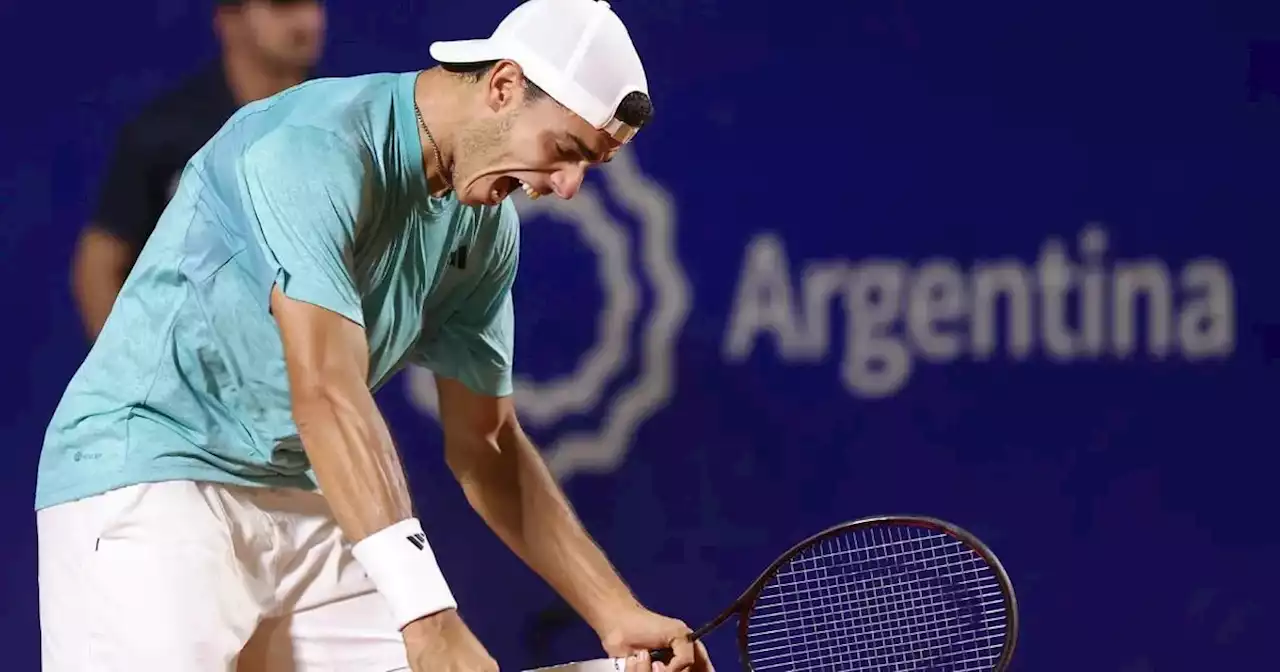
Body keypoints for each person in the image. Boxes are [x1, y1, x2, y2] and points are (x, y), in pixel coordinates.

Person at [36, 0, 713, 670]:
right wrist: (429, 617)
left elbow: (488, 444)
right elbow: (327, 393)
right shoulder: (315, 149)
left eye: (589, 166)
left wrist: (614, 612)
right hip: (149, 480)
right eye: (565, 151)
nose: (567, 188)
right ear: (503, 86)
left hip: (302, 496)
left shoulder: (484, 229)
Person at [72, 0, 326, 342]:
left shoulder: (345, 123)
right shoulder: (166, 133)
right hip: (203, 371)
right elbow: (98, 267)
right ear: (229, 19)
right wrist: (136, 378)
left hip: (314, 372)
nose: (306, 21)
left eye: (313, 4)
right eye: (282, 5)